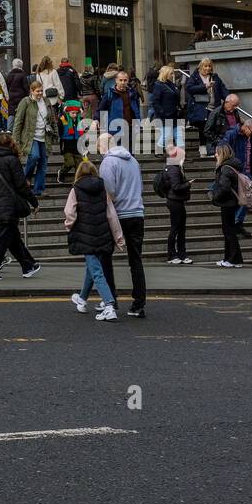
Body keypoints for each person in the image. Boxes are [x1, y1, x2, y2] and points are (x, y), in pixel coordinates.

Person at [65, 159, 126, 321]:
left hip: (86, 236)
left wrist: (69, 226)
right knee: (92, 268)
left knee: (96, 272)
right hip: (103, 234)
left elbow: (69, 212)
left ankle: (109, 305)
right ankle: (82, 299)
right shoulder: (102, 189)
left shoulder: (76, 189)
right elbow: (111, 215)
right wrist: (119, 238)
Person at [0, 134, 40, 280]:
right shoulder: (12, 161)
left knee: (13, 238)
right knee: (0, 240)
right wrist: (34, 202)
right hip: (8, 206)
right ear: (12, 145)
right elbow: (21, 185)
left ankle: (28, 266)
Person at [99, 130, 147, 318]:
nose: (98, 148)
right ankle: (138, 303)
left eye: (99, 144)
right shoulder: (133, 161)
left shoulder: (108, 162)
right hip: (137, 213)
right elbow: (140, 187)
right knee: (136, 259)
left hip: (118, 214)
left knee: (105, 256)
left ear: (106, 145)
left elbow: (108, 190)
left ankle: (110, 298)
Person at [12, 78, 52, 196]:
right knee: (34, 156)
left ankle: (38, 190)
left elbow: (52, 118)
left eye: (41, 91)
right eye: (37, 91)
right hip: (31, 136)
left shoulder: (46, 101)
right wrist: (15, 139)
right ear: (32, 91)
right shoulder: (26, 101)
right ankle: (26, 177)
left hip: (44, 136)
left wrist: (55, 132)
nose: (40, 93)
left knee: (43, 164)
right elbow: (18, 121)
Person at [185, 57, 228, 156]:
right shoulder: (195, 76)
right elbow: (190, 88)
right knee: (204, 128)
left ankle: (211, 150)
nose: (208, 68)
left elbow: (222, 89)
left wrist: (229, 98)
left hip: (214, 107)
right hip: (201, 108)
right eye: (205, 66)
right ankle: (203, 149)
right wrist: (205, 86)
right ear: (201, 66)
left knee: (213, 129)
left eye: (209, 66)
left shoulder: (215, 77)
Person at [212, 142, 244, 268]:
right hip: (233, 202)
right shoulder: (233, 165)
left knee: (228, 231)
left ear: (222, 153)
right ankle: (234, 259)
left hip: (227, 203)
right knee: (230, 231)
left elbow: (224, 188)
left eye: (216, 152)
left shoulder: (225, 168)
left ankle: (231, 259)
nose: (215, 154)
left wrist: (215, 197)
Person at [161, 144, 193, 265]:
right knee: (176, 228)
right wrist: (188, 184)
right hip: (175, 201)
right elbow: (176, 186)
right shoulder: (173, 169)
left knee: (180, 228)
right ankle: (173, 254)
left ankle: (181, 254)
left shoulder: (173, 167)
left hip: (176, 201)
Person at [100, 70, 142, 152]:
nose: (123, 82)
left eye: (125, 80)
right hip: (116, 128)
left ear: (128, 81)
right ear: (116, 80)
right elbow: (102, 109)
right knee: (117, 152)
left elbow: (136, 108)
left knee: (130, 152)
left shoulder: (132, 93)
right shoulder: (109, 93)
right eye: (120, 80)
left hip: (130, 127)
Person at [151, 65, 181, 152]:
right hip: (165, 115)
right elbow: (155, 101)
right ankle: (158, 149)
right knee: (166, 134)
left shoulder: (171, 84)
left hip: (174, 114)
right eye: (171, 73)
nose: (173, 75)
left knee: (178, 134)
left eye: (173, 73)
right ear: (165, 74)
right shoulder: (158, 85)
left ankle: (180, 152)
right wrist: (162, 112)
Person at [58, 97, 84, 184]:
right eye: (72, 113)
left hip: (77, 145)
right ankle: (62, 172)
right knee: (70, 163)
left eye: (76, 113)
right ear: (68, 112)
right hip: (67, 144)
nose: (75, 115)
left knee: (79, 165)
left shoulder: (79, 121)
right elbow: (60, 127)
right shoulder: (63, 119)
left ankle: (77, 182)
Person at [5, 58, 31, 131]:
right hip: (21, 96)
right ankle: (21, 128)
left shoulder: (9, 74)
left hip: (12, 96)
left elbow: (7, 85)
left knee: (11, 112)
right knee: (21, 111)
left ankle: (9, 128)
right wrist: (28, 95)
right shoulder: (23, 75)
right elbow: (26, 87)